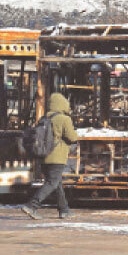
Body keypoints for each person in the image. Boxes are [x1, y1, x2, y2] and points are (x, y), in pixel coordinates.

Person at [20, 92, 78, 220]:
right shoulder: (64, 119)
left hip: (43, 156)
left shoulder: (44, 119)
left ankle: (64, 210)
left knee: (56, 183)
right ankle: (32, 205)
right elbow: (72, 137)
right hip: (57, 157)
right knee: (52, 182)